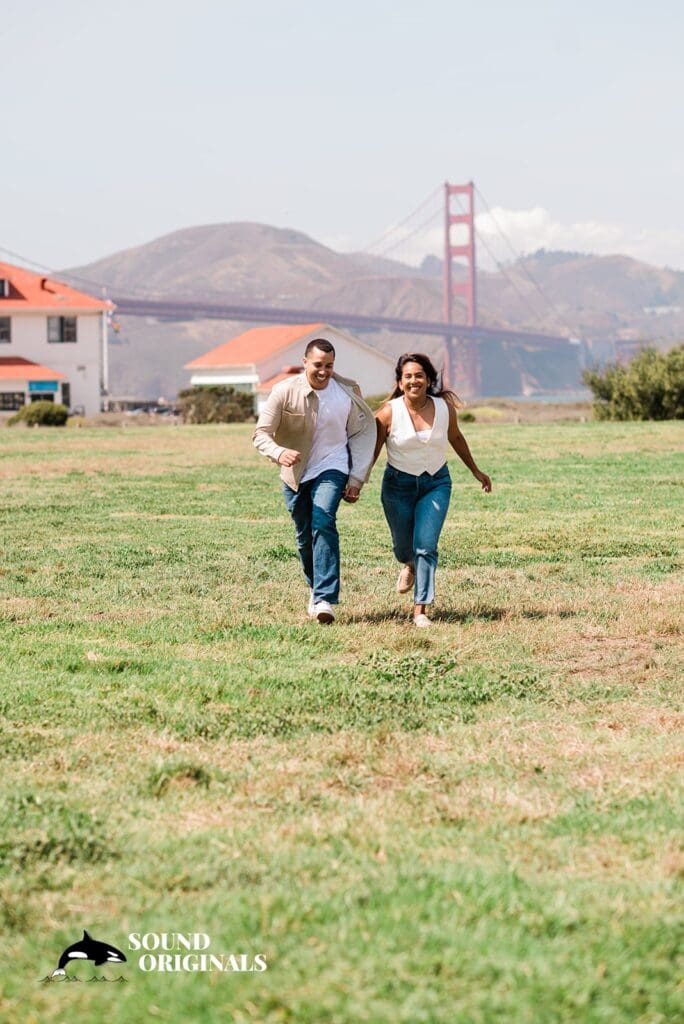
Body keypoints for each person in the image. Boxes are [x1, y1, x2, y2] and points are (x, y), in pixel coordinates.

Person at [253, 339, 375, 624]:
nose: (324, 371)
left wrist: (357, 477)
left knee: (323, 520)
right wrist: (279, 452)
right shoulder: (284, 391)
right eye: (318, 365)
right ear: (305, 362)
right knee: (304, 534)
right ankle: (314, 586)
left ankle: (324, 599)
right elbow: (261, 434)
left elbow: (359, 433)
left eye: (329, 366)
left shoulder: (347, 390)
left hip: (333, 466)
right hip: (295, 472)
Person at [374, 352, 492, 627]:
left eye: (419, 375)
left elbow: (456, 438)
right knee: (403, 548)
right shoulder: (389, 412)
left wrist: (476, 471)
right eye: (408, 376)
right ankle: (409, 564)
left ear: (428, 380)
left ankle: (421, 610)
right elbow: (374, 449)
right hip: (397, 486)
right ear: (400, 382)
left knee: (426, 546)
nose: (414, 381)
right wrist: (357, 481)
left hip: (436, 483)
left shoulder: (444, 408)